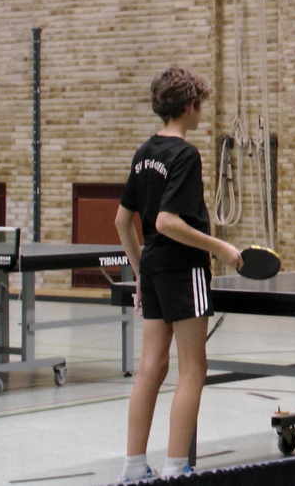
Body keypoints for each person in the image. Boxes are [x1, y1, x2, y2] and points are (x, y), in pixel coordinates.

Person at [114, 67, 242, 481]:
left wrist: (140, 273)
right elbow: (167, 222)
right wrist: (220, 247)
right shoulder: (185, 154)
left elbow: (122, 221)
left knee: (151, 367)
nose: (202, 111)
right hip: (184, 269)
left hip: (153, 266)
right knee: (193, 369)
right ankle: (175, 469)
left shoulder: (144, 152)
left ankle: (134, 468)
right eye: (200, 104)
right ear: (189, 106)